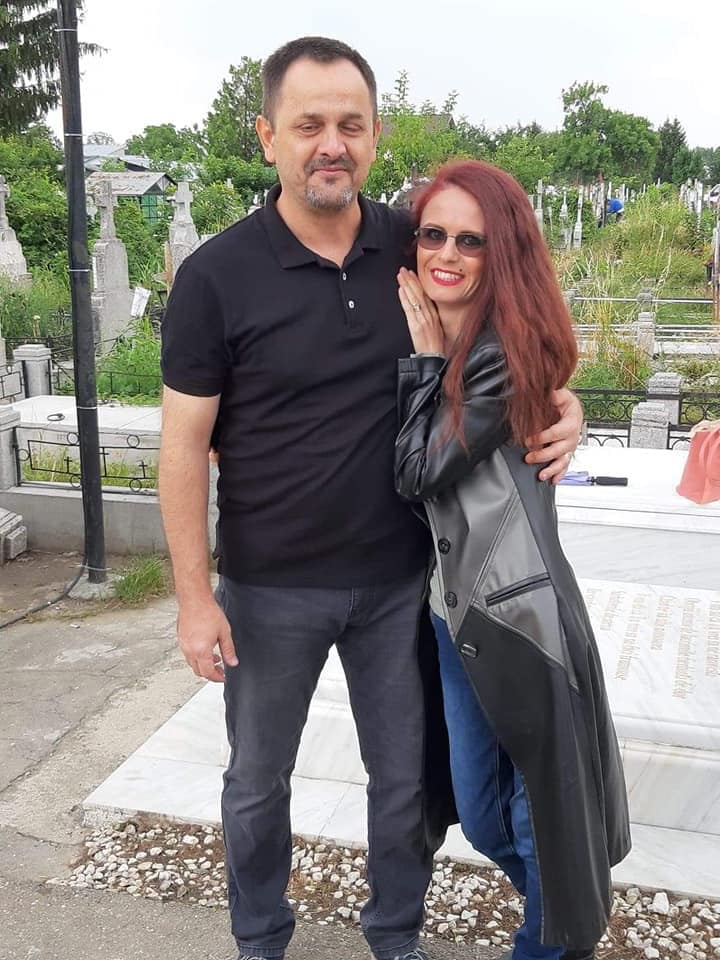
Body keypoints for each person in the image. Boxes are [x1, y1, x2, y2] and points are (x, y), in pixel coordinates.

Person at [159, 37, 585, 960]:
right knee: (257, 782)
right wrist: (194, 598)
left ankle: (395, 938)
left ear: (375, 136)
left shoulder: (413, 241)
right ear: (267, 135)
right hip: (268, 587)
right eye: (308, 124)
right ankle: (260, 940)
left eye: (350, 125)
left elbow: (510, 316)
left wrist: (565, 400)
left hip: (399, 584)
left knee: (402, 788)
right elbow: (184, 445)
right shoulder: (216, 277)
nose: (331, 144)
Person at [394, 159, 631, 960]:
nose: (447, 253)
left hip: (514, 619)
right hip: (451, 617)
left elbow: (418, 471)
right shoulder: (435, 329)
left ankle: (554, 940)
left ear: (505, 252)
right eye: (433, 234)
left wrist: (429, 365)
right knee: (486, 816)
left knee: (533, 821)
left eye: (472, 240)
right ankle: (566, 924)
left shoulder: (502, 350)